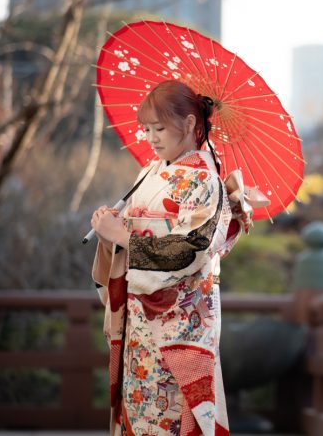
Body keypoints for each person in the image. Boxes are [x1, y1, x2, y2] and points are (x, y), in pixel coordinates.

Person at [90, 80, 247, 436]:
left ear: (191, 125)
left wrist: (125, 236)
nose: (151, 138)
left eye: (159, 128)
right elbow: (128, 233)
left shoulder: (207, 182)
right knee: (138, 407)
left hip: (179, 321)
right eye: (146, 129)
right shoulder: (150, 173)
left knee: (172, 416)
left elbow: (192, 248)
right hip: (137, 319)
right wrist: (110, 230)